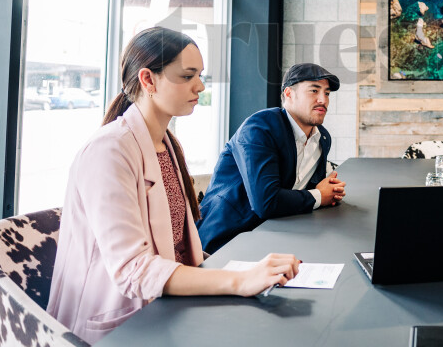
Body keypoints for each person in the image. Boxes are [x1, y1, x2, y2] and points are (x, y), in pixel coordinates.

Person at [47, 28, 299, 344]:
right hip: (122, 325)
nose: (201, 86)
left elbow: (177, 248)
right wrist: (239, 280)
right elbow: (133, 271)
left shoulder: (165, 143)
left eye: (200, 75)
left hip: (169, 309)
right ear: (148, 80)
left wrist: (247, 270)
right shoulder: (108, 150)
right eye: (187, 76)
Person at [197, 63, 347, 253]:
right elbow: (265, 202)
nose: (322, 100)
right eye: (314, 90)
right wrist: (320, 195)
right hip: (227, 241)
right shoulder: (259, 129)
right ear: (288, 94)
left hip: (276, 235)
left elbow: (306, 189)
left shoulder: (322, 138)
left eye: (326, 93)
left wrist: (329, 190)